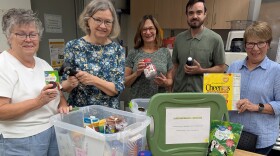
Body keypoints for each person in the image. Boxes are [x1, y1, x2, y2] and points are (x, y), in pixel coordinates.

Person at [0, 8, 71, 156]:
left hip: (53, 131)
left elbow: (58, 93)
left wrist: (63, 105)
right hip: (21, 139)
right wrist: (38, 101)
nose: (28, 39)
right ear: (9, 37)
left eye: (33, 34)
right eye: (21, 34)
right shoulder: (3, 64)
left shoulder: (44, 64)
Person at [227, 21, 280, 155]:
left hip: (260, 139)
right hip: (231, 135)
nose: (255, 48)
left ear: (268, 44)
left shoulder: (276, 71)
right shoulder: (234, 67)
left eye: (260, 43)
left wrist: (256, 107)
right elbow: (225, 95)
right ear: (245, 45)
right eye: (250, 43)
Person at [61, 0, 125, 109]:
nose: (103, 26)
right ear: (88, 20)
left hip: (108, 116)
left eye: (108, 22)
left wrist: (93, 80)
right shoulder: (73, 46)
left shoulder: (118, 50)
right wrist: (70, 83)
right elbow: (65, 87)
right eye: (98, 20)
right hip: (79, 114)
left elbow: (117, 89)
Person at [172, 0, 225, 92]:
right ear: (187, 15)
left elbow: (221, 68)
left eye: (199, 12)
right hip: (179, 94)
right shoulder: (179, 39)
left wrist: (201, 70)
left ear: (205, 14)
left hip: (203, 96)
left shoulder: (215, 39)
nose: (195, 16)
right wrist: (170, 89)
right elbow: (175, 66)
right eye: (191, 13)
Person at [125, 15, 173, 101]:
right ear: (140, 32)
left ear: (156, 30)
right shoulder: (134, 52)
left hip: (159, 102)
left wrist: (165, 82)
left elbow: (171, 81)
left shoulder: (165, 52)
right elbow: (125, 83)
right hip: (138, 104)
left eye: (151, 28)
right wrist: (136, 73)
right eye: (144, 29)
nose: (148, 32)